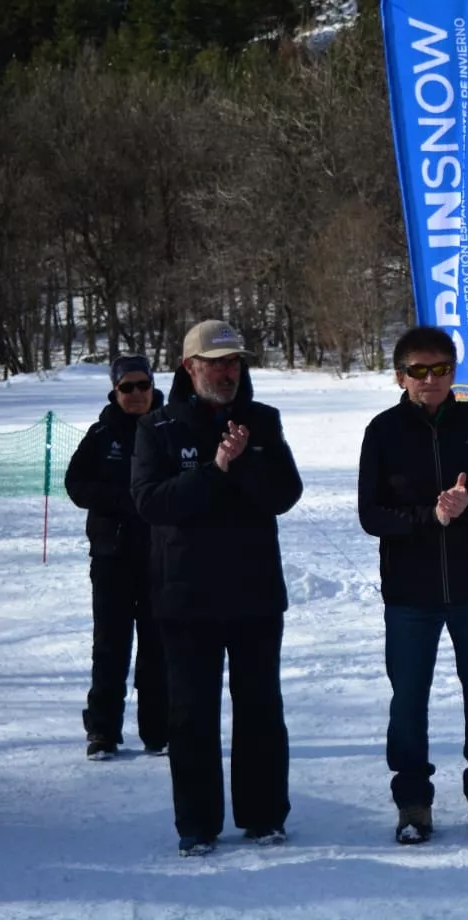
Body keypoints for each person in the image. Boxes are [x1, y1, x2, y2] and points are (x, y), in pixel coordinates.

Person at [131, 320, 303, 857]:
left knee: (259, 708)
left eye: (235, 363)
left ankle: (263, 814)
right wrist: (215, 469)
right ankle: (198, 824)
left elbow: (285, 494)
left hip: (254, 594)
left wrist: (245, 465)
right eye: (216, 363)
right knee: (191, 715)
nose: (228, 372)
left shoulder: (263, 421)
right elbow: (150, 502)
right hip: (186, 597)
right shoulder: (158, 428)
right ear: (190, 367)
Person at [358, 325, 468, 844]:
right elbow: (371, 514)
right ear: (400, 376)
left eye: (441, 369)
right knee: (408, 702)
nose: (431, 380)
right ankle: (412, 805)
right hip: (410, 594)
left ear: (454, 372)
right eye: (419, 371)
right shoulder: (383, 431)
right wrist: (430, 515)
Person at [66, 355, 168, 761]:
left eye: (143, 385)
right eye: (127, 387)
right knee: (110, 646)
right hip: (112, 556)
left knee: (157, 646)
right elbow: (76, 484)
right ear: (115, 391)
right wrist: (124, 501)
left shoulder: (168, 428)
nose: (137, 394)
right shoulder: (101, 433)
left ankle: (158, 731)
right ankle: (103, 732)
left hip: (160, 555)